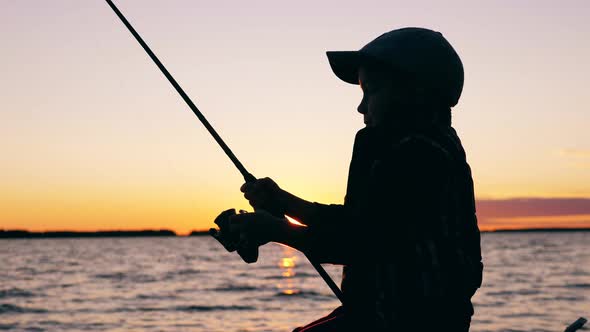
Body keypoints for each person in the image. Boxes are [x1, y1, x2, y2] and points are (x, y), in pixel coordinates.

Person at [213, 27, 483, 332]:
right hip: (375, 315)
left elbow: (362, 243)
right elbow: (360, 223)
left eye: (371, 90)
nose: (361, 107)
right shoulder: (397, 149)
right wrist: (282, 201)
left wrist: (274, 229)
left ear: (415, 92)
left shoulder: (422, 155)